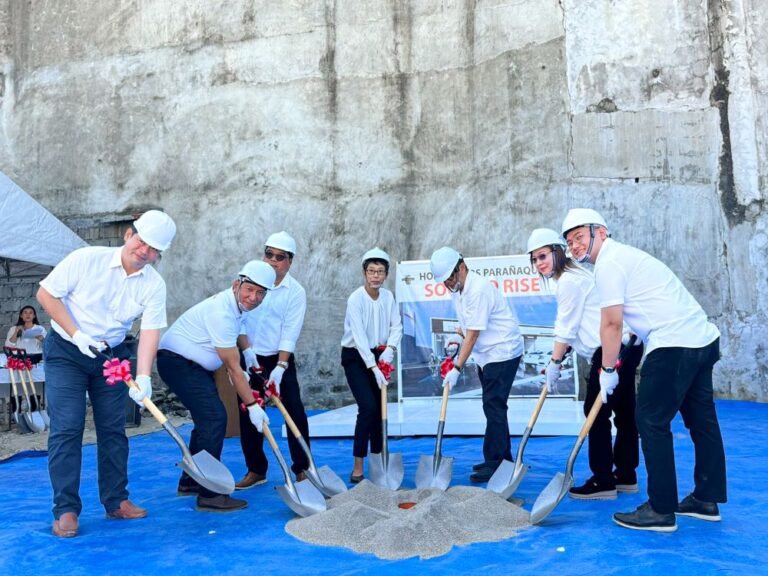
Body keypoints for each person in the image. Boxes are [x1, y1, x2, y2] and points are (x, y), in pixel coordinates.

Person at [562, 208, 727, 532]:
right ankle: (706, 499)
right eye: (569, 242)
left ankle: (660, 509)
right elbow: (643, 307)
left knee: (650, 420)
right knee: (701, 421)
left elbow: (611, 322)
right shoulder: (628, 257)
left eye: (579, 236)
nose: (575, 246)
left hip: (674, 343)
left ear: (601, 232)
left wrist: (607, 369)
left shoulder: (608, 264)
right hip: (703, 339)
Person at [36, 210, 177, 538]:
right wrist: (76, 334)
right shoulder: (86, 259)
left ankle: (116, 500)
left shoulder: (154, 285)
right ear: (129, 234)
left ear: (159, 255)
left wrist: (143, 377)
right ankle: (66, 509)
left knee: (113, 429)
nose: (144, 252)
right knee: (67, 428)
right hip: (67, 353)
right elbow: (46, 294)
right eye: (141, 242)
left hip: (111, 357)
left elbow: (151, 331)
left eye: (154, 249)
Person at [527, 228, 643, 500]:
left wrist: (555, 362)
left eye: (543, 256)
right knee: (624, 413)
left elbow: (566, 328)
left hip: (611, 349)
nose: (539, 263)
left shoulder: (569, 280)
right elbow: (578, 324)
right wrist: (562, 354)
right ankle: (626, 474)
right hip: (627, 345)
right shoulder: (575, 276)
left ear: (557, 252)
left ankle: (602, 480)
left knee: (596, 414)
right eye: (534, 259)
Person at [157, 260, 273, 512]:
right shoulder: (221, 312)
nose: (253, 297)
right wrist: (252, 406)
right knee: (214, 418)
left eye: (260, 293)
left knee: (207, 419)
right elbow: (232, 369)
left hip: (189, 364)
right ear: (236, 285)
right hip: (178, 363)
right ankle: (210, 494)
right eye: (249, 290)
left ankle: (190, 481)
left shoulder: (235, 307)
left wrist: (249, 352)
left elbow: (239, 330)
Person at [429, 246, 524, 483]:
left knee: (494, 406)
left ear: (461, 266)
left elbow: (473, 334)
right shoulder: (458, 290)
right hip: (487, 354)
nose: (449, 284)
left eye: (451, 277)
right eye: (445, 281)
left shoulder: (478, 289)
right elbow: (466, 327)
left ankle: (499, 463)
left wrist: (457, 368)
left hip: (502, 351)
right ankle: (498, 458)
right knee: (493, 406)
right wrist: (457, 337)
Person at [235, 231, 311, 489]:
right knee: (249, 412)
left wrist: (281, 366)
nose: (272, 261)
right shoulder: (248, 280)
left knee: (294, 411)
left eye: (280, 257)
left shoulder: (295, 291)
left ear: (290, 261)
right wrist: (246, 355)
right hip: (249, 355)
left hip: (280, 359)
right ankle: (256, 469)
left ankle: (303, 468)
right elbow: (239, 319)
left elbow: (291, 330)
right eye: (269, 254)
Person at [341, 248, 403, 483]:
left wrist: (390, 350)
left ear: (386, 274)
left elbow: (396, 326)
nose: (375, 276)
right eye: (371, 271)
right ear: (364, 273)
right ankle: (358, 465)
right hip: (356, 357)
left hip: (380, 355)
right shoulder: (355, 299)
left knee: (380, 411)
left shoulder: (388, 297)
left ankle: (378, 460)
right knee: (367, 408)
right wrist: (373, 368)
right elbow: (358, 337)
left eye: (380, 272)